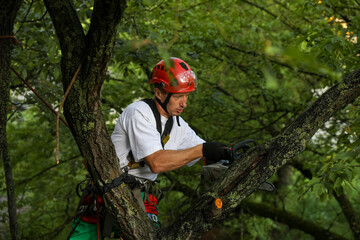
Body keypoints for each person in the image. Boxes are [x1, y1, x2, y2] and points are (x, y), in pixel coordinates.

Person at [69, 57, 231, 239]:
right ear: (159, 93)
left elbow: (202, 150)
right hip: (105, 192)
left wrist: (225, 154)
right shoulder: (138, 112)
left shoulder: (178, 125)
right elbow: (157, 163)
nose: (184, 103)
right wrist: (204, 150)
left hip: (143, 198)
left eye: (186, 96)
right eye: (178, 96)